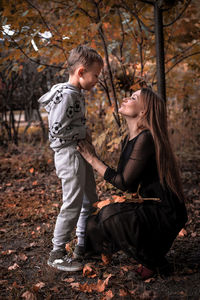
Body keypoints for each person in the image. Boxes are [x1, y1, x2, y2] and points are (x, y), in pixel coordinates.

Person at [77, 87, 188, 279]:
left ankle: (154, 261)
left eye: (134, 97)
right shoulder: (133, 139)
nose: (126, 99)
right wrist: (91, 152)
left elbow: (123, 182)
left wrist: (92, 159)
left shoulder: (146, 138)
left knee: (110, 215)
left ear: (143, 111)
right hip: (151, 207)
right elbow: (126, 180)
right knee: (95, 219)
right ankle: (89, 256)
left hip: (164, 213)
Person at [38, 45, 103, 271]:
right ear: (81, 72)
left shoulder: (75, 93)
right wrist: (82, 134)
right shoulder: (66, 96)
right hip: (69, 155)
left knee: (90, 199)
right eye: (95, 75)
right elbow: (56, 134)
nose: (97, 80)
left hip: (80, 153)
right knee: (72, 203)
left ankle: (84, 246)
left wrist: (83, 136)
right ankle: (57, 252)